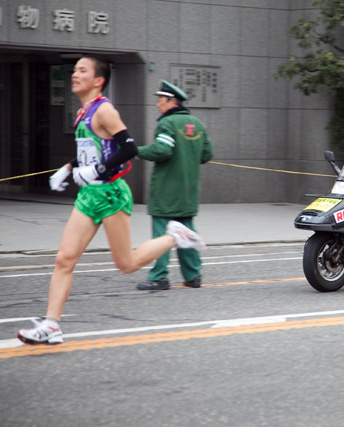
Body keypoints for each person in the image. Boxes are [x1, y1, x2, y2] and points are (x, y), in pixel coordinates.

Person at [17, 56, 206, 345]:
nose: (74, 75)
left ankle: (173, 236)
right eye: (75, 70)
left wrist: (98, 170)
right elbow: (94, 150)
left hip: (110, 193)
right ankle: (52, 325)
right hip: (89, 194)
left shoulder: (104, 109)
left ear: (98, 80)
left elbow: (128, 147)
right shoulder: (84, 111)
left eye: (82, 71)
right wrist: (68, 168)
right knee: (64, 258)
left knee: (127, 264)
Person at [135, 80, 213, 291]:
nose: (158, 105)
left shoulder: (167, 124)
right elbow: (207, 154)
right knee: (186, 233)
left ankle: (159, 277)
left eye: (161, 100)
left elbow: (162, 150)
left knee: (163, 235)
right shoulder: (198, 124)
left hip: (167, 191)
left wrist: (135, 150)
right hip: (188, 191)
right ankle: (193, 276)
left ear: (172, 101)